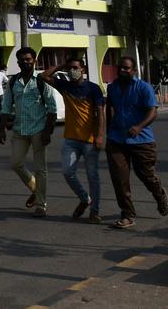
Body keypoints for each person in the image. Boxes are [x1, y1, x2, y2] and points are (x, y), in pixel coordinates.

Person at [106, 56, 168, 229]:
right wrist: (106, 132)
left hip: (141, 140)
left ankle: (159, 194)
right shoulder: (112, 88)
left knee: (146, 175)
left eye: (126, 68)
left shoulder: (143, 87)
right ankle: (127, 214)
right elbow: (109, 109)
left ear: (134, 70)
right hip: (116, 139)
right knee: (119, 178)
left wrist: (139, 127)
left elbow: (153, 111)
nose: (122, 71)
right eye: (120, 67)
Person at [0, 47, 58, 217]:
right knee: (16, 163)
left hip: (39, 130)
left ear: (34, 61)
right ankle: (35, 189)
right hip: (19, 130)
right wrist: (2, 129)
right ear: (17, 62)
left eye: (28, 59)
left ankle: (41, 204)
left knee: (41, 169)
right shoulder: (13, 81)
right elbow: (6, 106)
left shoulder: (40, 81)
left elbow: (52, 108)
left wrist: (48, 132)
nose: (25, 62)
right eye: (22, 60)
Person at [47, 56, 106, 224]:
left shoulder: (93, 89)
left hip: (89, 140)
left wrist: (100, 135)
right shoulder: (64, 86)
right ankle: (85, 199)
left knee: (92, 176)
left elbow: (100, 113)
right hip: (71, 139)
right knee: (67, 172)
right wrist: (60, 65)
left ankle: (94, 212)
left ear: (83, 70)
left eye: (75, 67)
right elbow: (43, 77)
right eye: (70, 68)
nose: (72, 71)